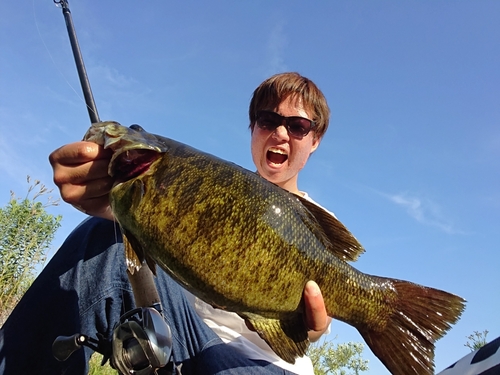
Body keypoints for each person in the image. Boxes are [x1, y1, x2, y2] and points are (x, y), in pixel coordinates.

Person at [0, 72, 333, 374]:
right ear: (253, 128)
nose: (279, 133)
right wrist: (113, 202)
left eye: (297, 126)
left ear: (314, 139)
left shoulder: (318, 226)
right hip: (185, 342)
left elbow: (320, 323)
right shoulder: (209, 189)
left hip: (266, 367)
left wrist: (312, 324)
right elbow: (144, 245)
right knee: (103, 236)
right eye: (267, 120)